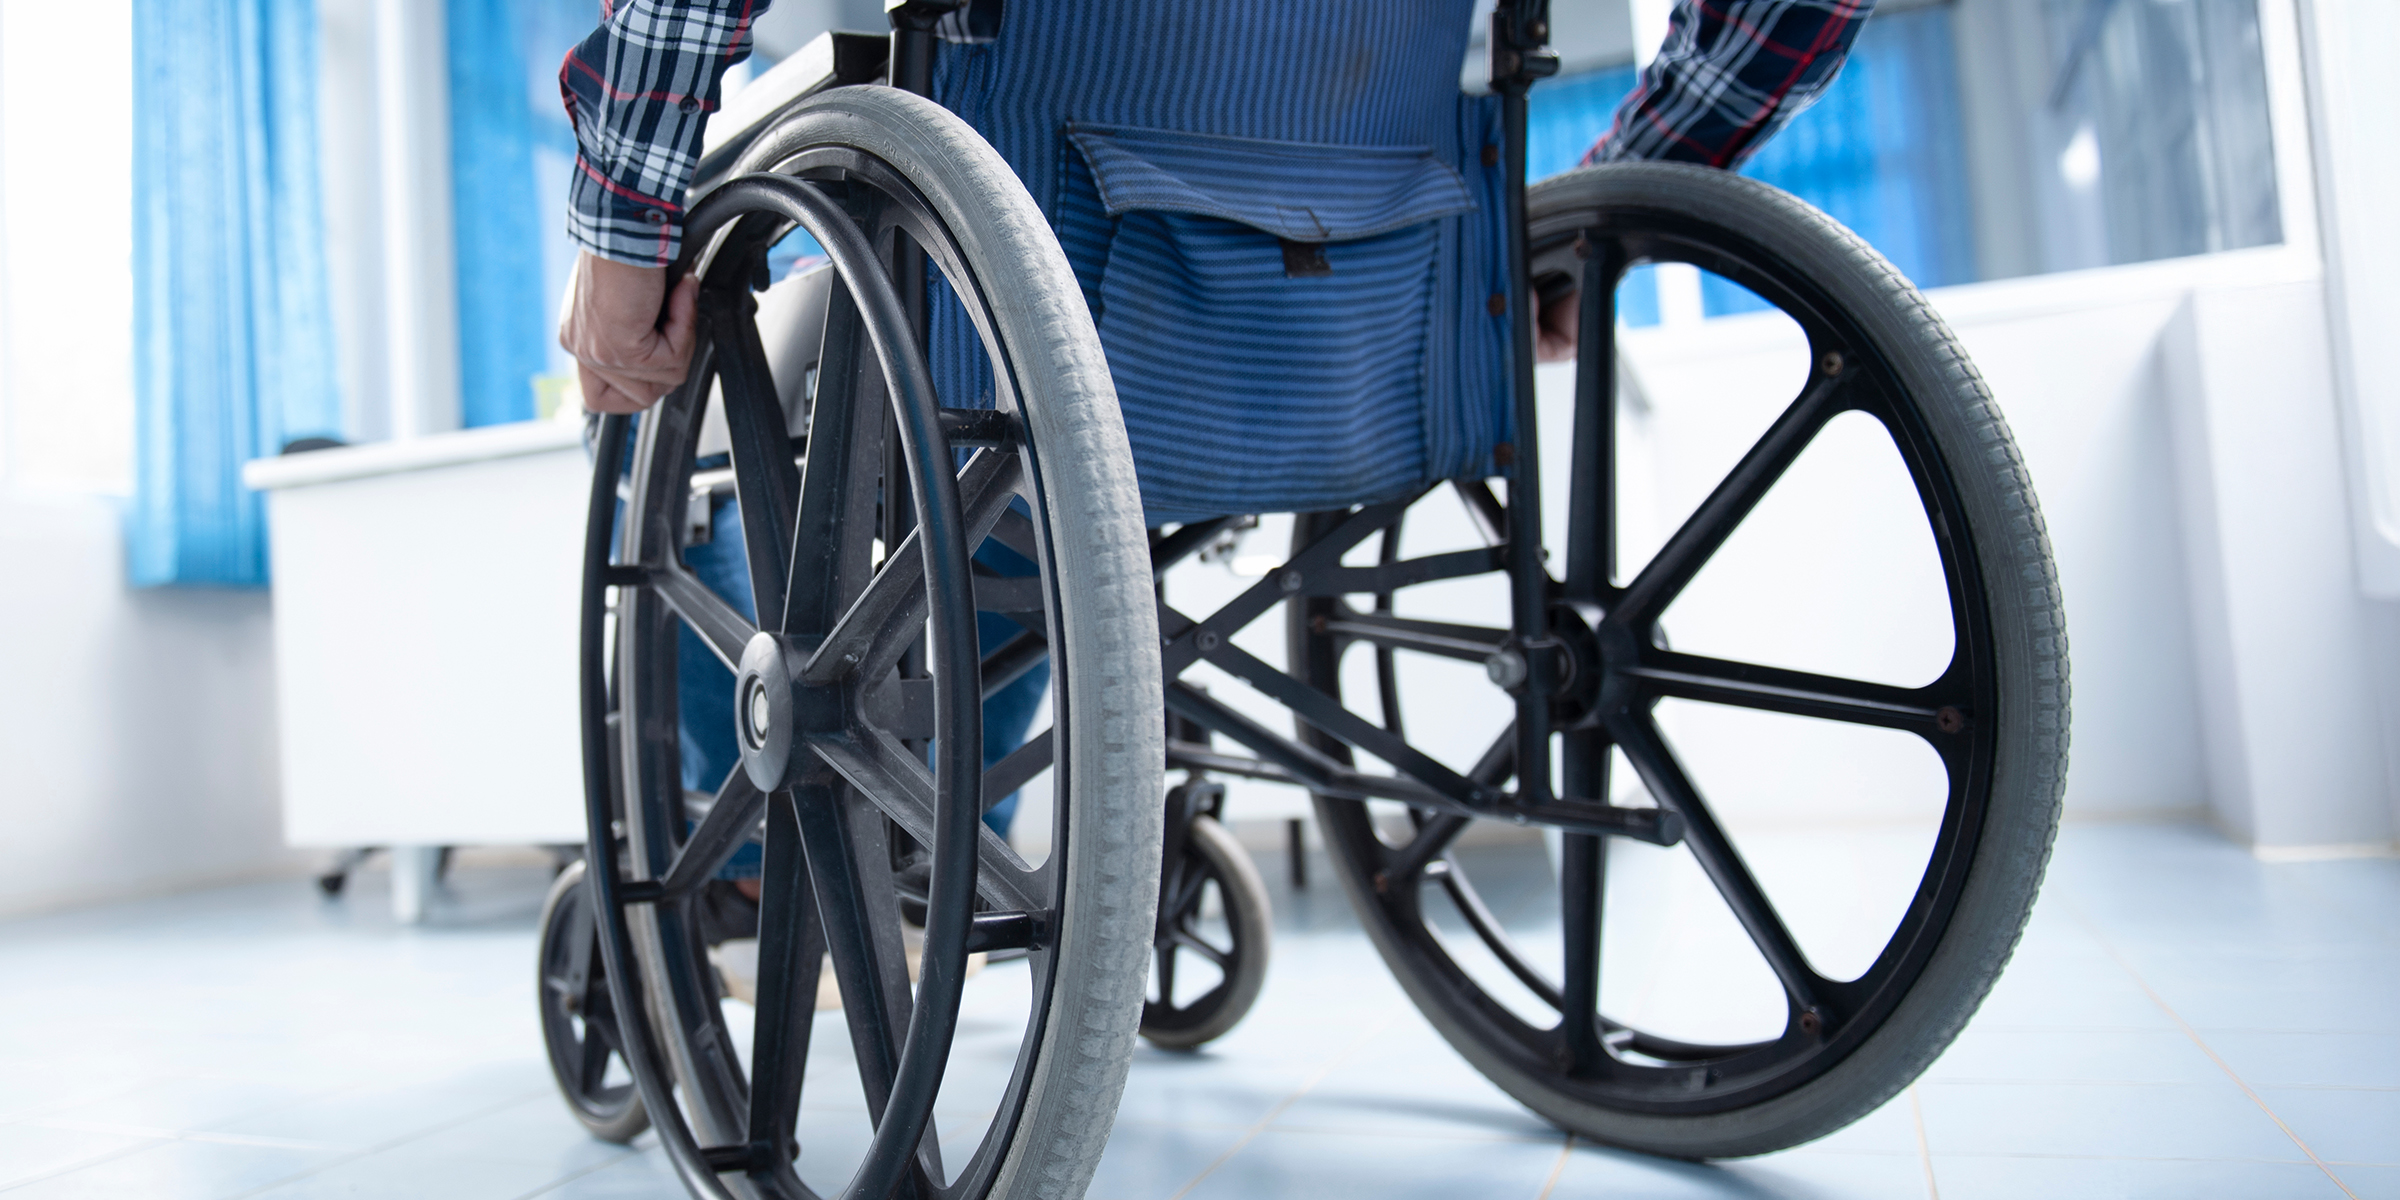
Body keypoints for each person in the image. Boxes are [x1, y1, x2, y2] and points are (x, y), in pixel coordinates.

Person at [551, 0, 1875, 874]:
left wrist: (624, 210)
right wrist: (1629, 186)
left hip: (1044, 255)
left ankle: (771, 861)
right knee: (988, 416)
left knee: (806, 400)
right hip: (1360, 307)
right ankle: (936, 822)